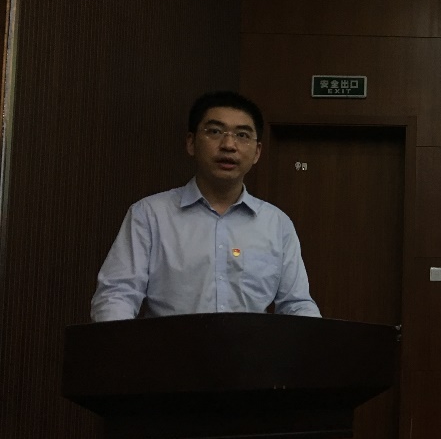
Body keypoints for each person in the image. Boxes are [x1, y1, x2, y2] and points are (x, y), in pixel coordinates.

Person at [90, 91, 321, 321]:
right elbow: (117, 296)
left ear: (257, 152)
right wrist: (123, 344)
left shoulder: (276, 224)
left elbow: (296, 303)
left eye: (242, 135)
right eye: (215, 131)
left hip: (249, 347)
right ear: (191, 143)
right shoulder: (150, 215)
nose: (229, 145)